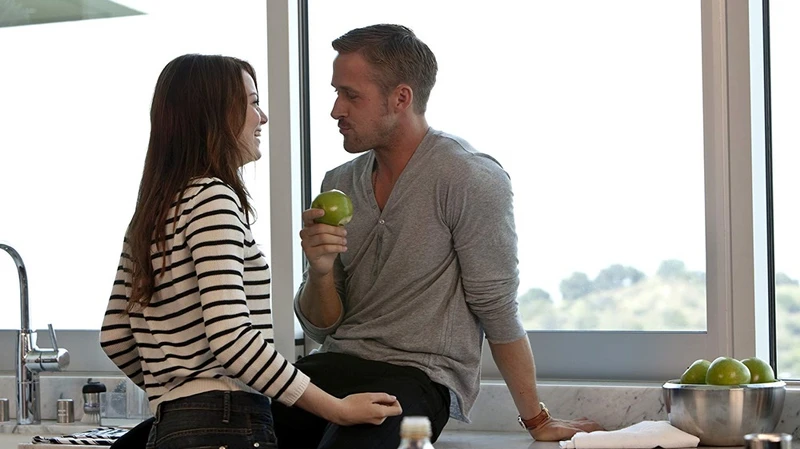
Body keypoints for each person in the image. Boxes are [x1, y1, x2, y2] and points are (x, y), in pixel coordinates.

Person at [270, 24, 604, 449]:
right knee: (244, 432)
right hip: (330, 366)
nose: (336, 110)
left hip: (417, 377)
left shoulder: (468, 177)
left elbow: (496, 308)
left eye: (351, 95)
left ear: (401, 98)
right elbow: (322, 327)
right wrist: (319, 272)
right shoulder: (339, 182)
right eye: (336, 93)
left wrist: (537, 419)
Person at [100, 53, 402, 449]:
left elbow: (115, 336)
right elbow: (232, 339)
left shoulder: (153, 212)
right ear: (215, 114)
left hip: (171, 429)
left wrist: (180, 394)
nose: (263, 117)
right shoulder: (213, 199)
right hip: (226, 426)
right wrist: (337, 409)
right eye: (253, 103)